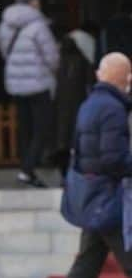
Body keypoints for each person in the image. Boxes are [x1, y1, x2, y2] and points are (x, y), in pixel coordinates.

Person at [41, 52, 132, 278]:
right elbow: (113, 159)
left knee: (84, 271)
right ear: (124, 78)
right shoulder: (113, 110)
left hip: (93, 201)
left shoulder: (90, 104)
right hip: (110, 203)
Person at [0, 0, 60, 188]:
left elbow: (4, 51)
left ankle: (27, 169)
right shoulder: (38, 25)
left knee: (24, 128)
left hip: (15, 83)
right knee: (42, 128)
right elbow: (52, 57)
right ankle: (27, 170)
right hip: (38, 83)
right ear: (33, 1)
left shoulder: (5, 24)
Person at [52, 28, 96, 177]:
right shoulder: (82, 59)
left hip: (60, 106)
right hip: (78, 103)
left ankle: (63, 173)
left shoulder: (58, 61)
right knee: (76, 138)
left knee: (61, 139)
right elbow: (90, 80)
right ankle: (76, 171)